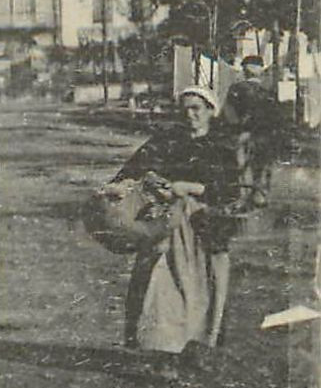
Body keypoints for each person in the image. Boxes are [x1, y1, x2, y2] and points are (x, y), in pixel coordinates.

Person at [112, 86, 240, 353]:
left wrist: (192, 187)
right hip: (165, 225)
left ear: (209, 111)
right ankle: (160, 345)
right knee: (158, 285)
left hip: (203, 227)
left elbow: (231, 190)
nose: (190, 114)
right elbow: (135, 168)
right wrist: (133, 185)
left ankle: (200, 345)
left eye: (196, 108)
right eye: (185, 109)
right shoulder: (167, 140)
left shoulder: (222, 147)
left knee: (203, 287)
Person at [221, 54, 283, 207]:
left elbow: (229, 113)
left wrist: (236, 129)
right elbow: (276, 116)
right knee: (261, 164)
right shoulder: (267, 92)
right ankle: (259, 195)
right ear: (260, 71)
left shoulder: (236, 89)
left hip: (244, 133)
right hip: (263, 134)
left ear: (244, 70)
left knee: (243, 165)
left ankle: (244, 195)